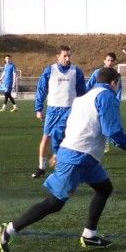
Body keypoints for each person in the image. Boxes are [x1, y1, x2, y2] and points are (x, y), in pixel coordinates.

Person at [0, 67, 126, 252]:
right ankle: (9, 229)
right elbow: (112, 131)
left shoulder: (81, 99)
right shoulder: (107, 96)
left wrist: (58, 150)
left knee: (104, 188)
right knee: (54, 203)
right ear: (114, 83)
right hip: (78, 157)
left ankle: (89, 234)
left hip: (86, 158)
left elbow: (60, 127)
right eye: (118, 84)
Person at [32, 45, 88, 178]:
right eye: (65, 56)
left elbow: (82, 93)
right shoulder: (49, 70)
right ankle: (41, 167)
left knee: (70, 139)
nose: (67, 58)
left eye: (69, 56)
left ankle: (66, 166)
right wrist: (38, 108)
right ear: (58, 57)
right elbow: (41, 89)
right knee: (46, 138)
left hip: (70, 110)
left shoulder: (76, 72)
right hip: (53, 110)